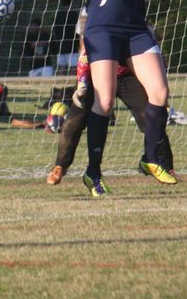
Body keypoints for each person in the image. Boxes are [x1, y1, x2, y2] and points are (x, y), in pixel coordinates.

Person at [80, 0, 175, 197]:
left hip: (135, 29)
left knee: (159, 92)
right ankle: (93, 173)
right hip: (102, 28)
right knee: (104, 101)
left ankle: (150, 159)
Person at [46, 11, 175, 186]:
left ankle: (165, 166)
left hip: (129, 76)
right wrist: (82, 83)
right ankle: (60, 165)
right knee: (75, 119)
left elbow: (153, 58)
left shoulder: (138, 26)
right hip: (97, 74)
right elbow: (85, 55)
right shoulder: (98, 26)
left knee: (151, 116)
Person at [52, 0, 79, 73]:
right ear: (71, 1)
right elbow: (77, 30)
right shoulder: (73, 14)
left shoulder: (58, 14)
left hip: (60, 45)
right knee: (73, 67)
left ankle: (61, 85)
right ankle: (71, 84)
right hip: (72, 45)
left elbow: (55, 30)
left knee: (61, 67)